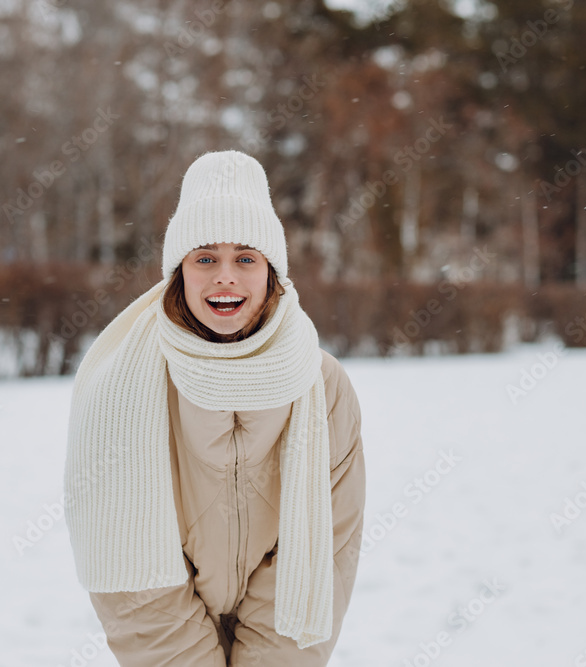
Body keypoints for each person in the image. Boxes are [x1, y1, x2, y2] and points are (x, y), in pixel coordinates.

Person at [63, 150, 366, 666]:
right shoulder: (121, 384)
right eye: (205, 257)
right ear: (178, 270)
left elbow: (327, 545)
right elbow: (129, 571)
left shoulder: (322, 384)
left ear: (272, 272)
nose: (225, 276)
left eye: (245, 258)